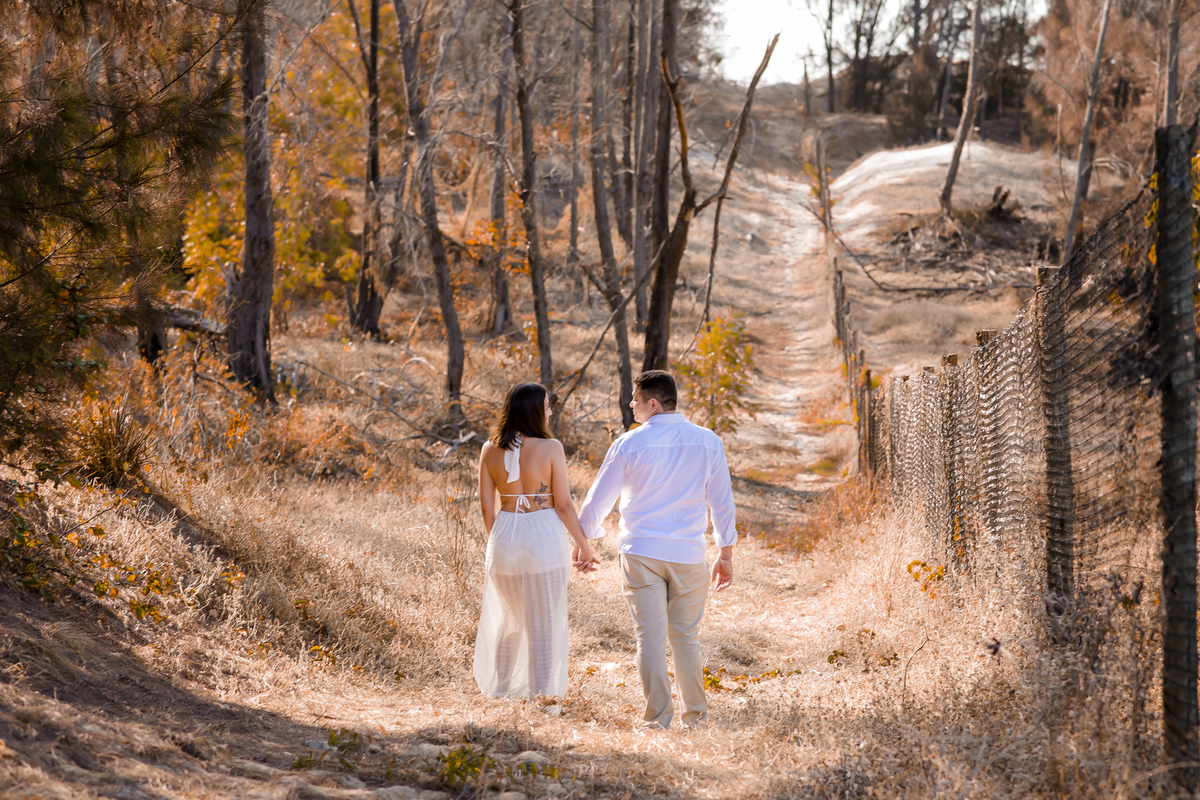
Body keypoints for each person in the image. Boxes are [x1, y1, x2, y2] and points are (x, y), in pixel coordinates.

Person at [577, 370, 736, 729]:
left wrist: (584, 540)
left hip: (641, 551)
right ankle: (695, 718)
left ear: (653, 403)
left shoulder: (629, 443)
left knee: (649, 637)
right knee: (685, 637)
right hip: (688, 554)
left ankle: (657, 719)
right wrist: (725, 553)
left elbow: (599, 498)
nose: (630, 404)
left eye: (635, 399)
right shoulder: (708, 441)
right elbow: (722, 503)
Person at [474, 382, 597, 700]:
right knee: (543, 620)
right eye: (546, 406)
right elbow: (564, 505)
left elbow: (487, 507)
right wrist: (584, 545)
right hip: (543, 535)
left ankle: (501, 689)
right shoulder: (551, 447)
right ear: (533, 412)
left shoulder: (489, 449)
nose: (551, 411)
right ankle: (541, 696)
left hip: (504, 533)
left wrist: (503, 539)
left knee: (510, 614)